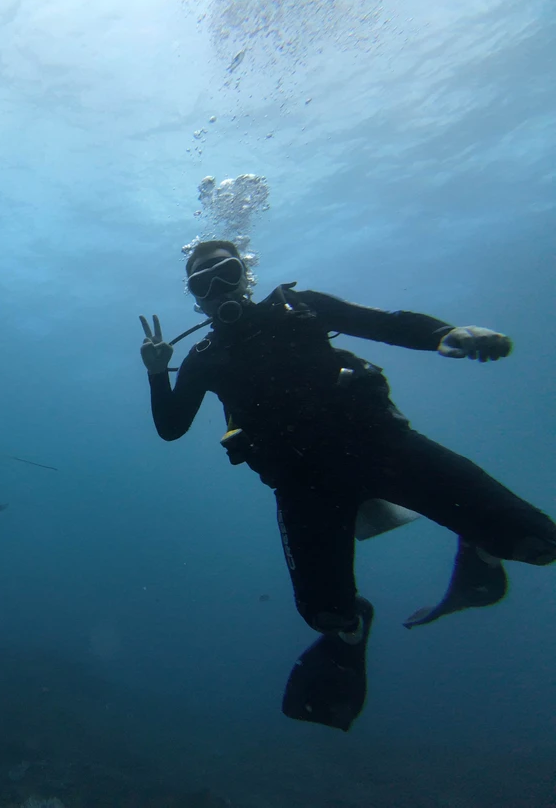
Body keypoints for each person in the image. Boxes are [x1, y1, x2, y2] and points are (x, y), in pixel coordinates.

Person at [139, 239, 556, 731]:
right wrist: (156, 373)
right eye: (201, 284)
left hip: (382, 448)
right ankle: (351, 635)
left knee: (541, 543)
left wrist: (448, 333)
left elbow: (384, 323)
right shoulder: (204, 356)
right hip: (303, 484)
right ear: (194, 296)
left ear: (245, 277)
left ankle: (482, 541)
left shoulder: (300, 307)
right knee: (326, 616)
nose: (215, 290)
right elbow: (171, 427)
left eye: (224, 274)